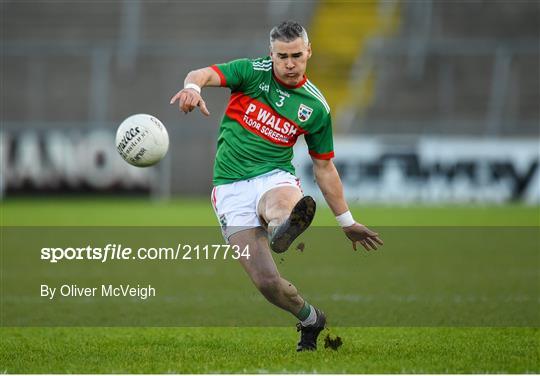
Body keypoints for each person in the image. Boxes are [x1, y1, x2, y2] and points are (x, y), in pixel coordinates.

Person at [170, 20, 383, 351]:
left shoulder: (315, 107)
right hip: (230, 188)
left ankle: (283, 226)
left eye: (296, 55)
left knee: (281, 206)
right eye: (282, 56)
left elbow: (324, 166)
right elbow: (203, 74)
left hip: (275, 177)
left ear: (308, 51)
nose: (289, 64)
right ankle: (311, 319)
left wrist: (347, 221)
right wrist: (193, 89)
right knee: (267, 282)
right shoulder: (252, 73)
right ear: (271, 54)